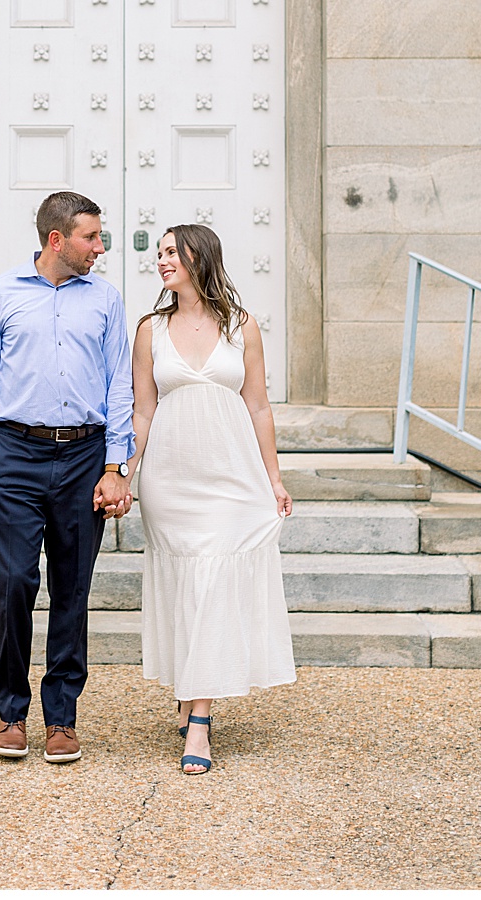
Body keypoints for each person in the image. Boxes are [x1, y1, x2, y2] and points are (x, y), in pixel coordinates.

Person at [0, 191, 135, 764]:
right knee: (13, 581)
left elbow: (119, 385)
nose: (100, 247)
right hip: (14, 455)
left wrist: (115, 466)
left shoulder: (106, 299)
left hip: (85, 457)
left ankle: (61, 718)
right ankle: (11, 712)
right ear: (57, 240)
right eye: (91, 237)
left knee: (72, 587)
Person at [131, 224, 295, 775]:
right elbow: (143, 411)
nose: (161, 261)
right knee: (187, 583)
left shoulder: (241, 325)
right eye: (159, 254)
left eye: (171, 252)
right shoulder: (150, 329)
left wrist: (274, 479)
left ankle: (198, 717)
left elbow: (258, 406)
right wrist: (124, 473)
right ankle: (192, 688)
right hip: (171, 478)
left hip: (231, 474)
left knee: (214, 582)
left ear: (199, 257)